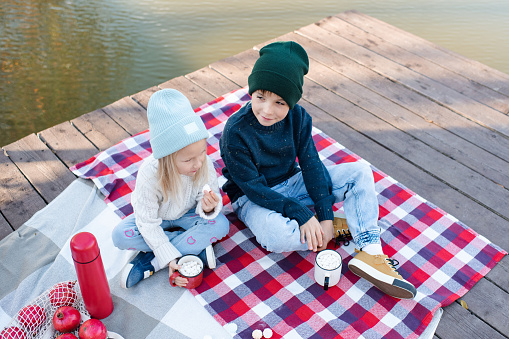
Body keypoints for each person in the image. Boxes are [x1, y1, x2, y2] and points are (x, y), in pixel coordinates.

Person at [219, 41, 416, 299]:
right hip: (253, 198)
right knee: (276, 236)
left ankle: (370, 251)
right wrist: (301, 214)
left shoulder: (299, 118)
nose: (267, 110)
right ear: (251, 92)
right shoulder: (235, 131)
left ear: (292, 101)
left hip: (292, 181)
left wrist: (323, 214)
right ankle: (339, 225)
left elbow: (311, 165)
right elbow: (253, 188)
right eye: (260, 97)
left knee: (359, 172)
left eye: (280, 102)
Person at [113, 88, 230, 289]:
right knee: (120, 235)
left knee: (221, 225)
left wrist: (208, 207)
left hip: (188, 216)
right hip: (156, 219)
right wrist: (166, 249)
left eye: (202, 152)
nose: (198, 163)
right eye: (188, 159)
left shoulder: (203, 163)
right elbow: (147, 222)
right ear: (166, 158)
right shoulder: (149, 175)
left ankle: (152, 262)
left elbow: (211, 196)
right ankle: (192, 248)